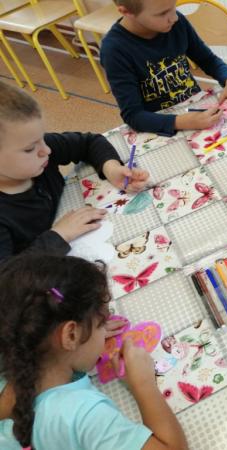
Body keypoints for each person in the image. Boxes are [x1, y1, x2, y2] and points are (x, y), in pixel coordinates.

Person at [0, 254, 188, 450]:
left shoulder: (11, 352)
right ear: (71, 335)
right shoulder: (82, 414)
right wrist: (143, 384)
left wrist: (88, 332)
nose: (105, 330)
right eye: (102, 323)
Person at [0, 81, 149, 265]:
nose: (46, 150)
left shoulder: (40, 150)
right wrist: (59, 235)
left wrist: (111, 169)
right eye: (30, 149)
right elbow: (8, 276)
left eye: (42, 138)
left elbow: (89, 142)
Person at [101, 0, 227, 135]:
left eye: (173, 6)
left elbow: (208, 59)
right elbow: (133, 115)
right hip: (159, 125)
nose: (174, 17)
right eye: (162, 13)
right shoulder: (114, 50)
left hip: (194, 107)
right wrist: (184, 122)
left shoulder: (176, 23)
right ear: (126, 12)